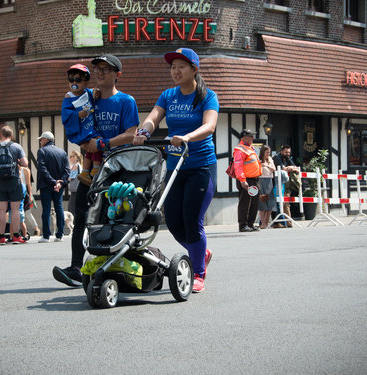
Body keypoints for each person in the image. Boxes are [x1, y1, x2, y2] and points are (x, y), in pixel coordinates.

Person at [133, 48, 218, 293]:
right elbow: (153, 117)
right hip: (174, 167)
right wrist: (144, 132)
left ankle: (198, 272)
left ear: (194, 69)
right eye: (172, 67)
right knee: (172, 220)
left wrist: (186, 137)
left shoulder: (207, 97)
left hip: (201, 166)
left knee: (193, 221)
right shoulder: (168, 95)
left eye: (181, 66)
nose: (175, 71)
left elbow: (209, 126)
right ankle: (201, 252)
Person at [52, 54, 139, 287]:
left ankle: (114, 267)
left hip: (117, 168)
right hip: (89, 172)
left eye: (106, 69)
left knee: (114, 217)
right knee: (81, 216)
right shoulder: (87, 97)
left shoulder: (126, 101)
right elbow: (74, 123)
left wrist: (103, 143)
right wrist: (83, 141)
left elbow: (132, 134)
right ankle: (75, 268)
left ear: (117, 75)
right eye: (97, 69)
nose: (100, 73)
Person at [61, 64, 102, 186]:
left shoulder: (88, 93)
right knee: (98, 142)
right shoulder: (69, 96)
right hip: (82, 130)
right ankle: (96, 167)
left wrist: (97, 91)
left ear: (86, 81)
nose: (74, 82)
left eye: (78, 79)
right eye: (71, 79)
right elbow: (66, 114)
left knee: (94, 145)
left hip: (90, 127)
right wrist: (78, 114)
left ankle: (85, 171)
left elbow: (95, 94)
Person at [0, 125, 28, 244]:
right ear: (11, 135)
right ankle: (15, 236)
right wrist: (17, 162)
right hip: (14, 180)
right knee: (14, 209)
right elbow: (25, 163)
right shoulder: (16, 146)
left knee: (2, 210)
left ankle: (1, 237)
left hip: (0, 181)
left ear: (1, 135)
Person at [36, 131, 70, 243]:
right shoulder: (62, 152)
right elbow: (67, 170)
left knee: (46, 208)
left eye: (41, 139)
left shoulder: (42, 151)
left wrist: (52, 181)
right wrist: (60, 183)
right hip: (59, 185)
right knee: (59, 207)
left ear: (46, 139)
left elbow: (42, 168)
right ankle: (59, 234)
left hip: (46, 184)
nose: (40, 141)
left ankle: (46, 235)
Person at [234, 129, 262, 232]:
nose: (253, 138)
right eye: (251, 136)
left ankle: (250, 224)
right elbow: (238, 166)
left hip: (254, 179)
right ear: (244, 137)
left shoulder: (250, 148)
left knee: (254, 202)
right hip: (246, 180)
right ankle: (243, 225)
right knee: (244, 202)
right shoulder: (240, 149)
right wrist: (242, 180)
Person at [272, 145, 300, 228]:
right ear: (282, 152)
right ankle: (278, 222)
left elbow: (295, 167)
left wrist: (290, 167)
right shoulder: (277, 157)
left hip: (285, 184)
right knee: (277, 203)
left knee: (285, 202)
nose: (288, 154)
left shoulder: (288, 158)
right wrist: (290, 168)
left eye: (289, 152)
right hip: (275, 184)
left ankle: (287, 223)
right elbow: (281, 168)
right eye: (286, 152)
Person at [258, 145, 276, 229]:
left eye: (269, 152)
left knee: (270, 202)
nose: (268, 154)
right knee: (262, 202)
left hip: (269, 180)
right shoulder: (258, 160)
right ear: (263, 152)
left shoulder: (270, 159)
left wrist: (267, 165)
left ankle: (266, 222)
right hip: (261, 180)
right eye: (267, 152)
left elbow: (274, 169)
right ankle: (263, 223)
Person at [20, 166, 41, 236]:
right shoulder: (13, 168)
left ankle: (36, 228)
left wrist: (30, 195)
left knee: (27, 213)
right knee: (18, 213)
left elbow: (29, 184)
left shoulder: (25, 170)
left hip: (25, 193)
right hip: (16, 192)